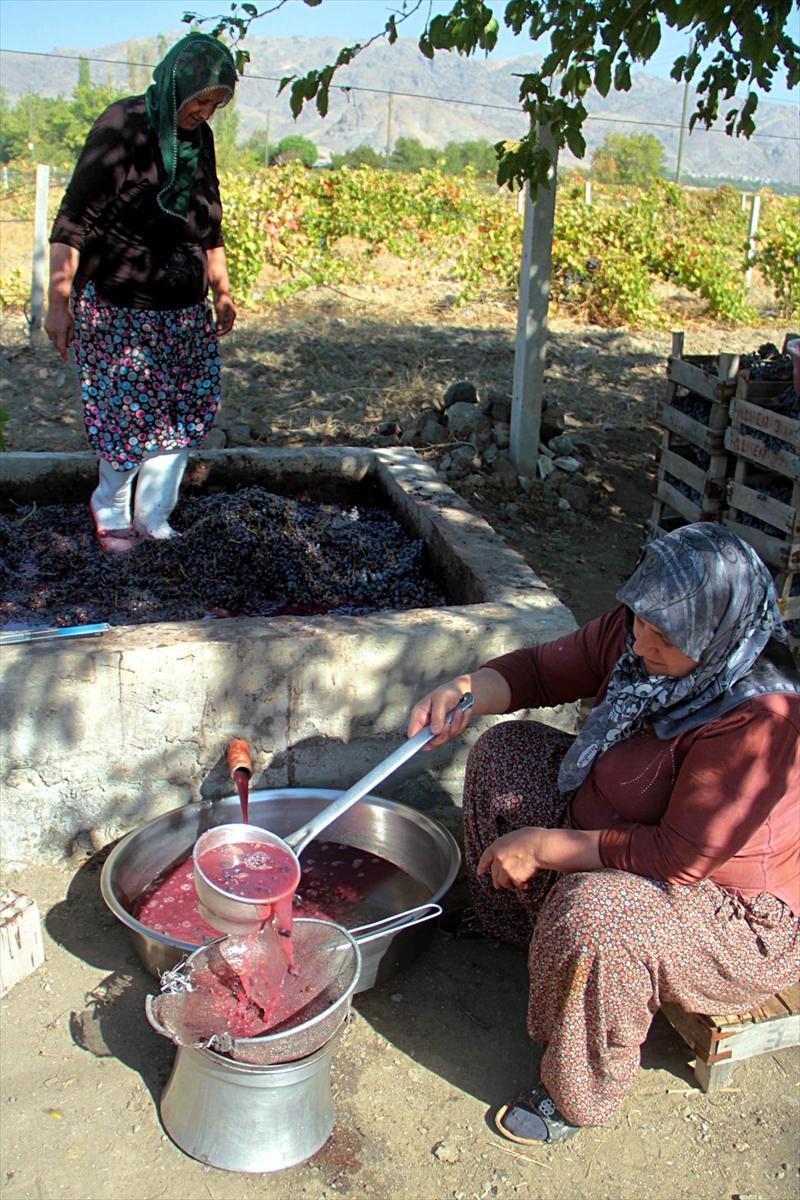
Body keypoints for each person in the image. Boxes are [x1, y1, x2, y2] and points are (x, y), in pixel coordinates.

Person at [407, 522, 800, 1145]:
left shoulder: (757, 717)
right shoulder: (639, 630)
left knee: (600, 911)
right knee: (505, 751)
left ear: (716, 635)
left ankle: (576, 1093)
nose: (641, 642)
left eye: (664, 636)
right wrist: (461, 692)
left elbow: (677, 858)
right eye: (640, 621)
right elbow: (539, 671)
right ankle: (520, 934)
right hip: (623, 829)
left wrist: (543, 845)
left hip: (728, 914)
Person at [45, 32, 237, 552]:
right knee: (127, 416)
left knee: (178, 416)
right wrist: (57, 303)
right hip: (119, 309)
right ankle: (110, 507)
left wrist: (220, 290)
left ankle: (154, 517)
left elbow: (208, 225)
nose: (205, 112)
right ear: (177, 83)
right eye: (199, 99)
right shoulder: (123, 127)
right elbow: (72, 221)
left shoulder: (200, 142)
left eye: (217, 104)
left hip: (183, 312)